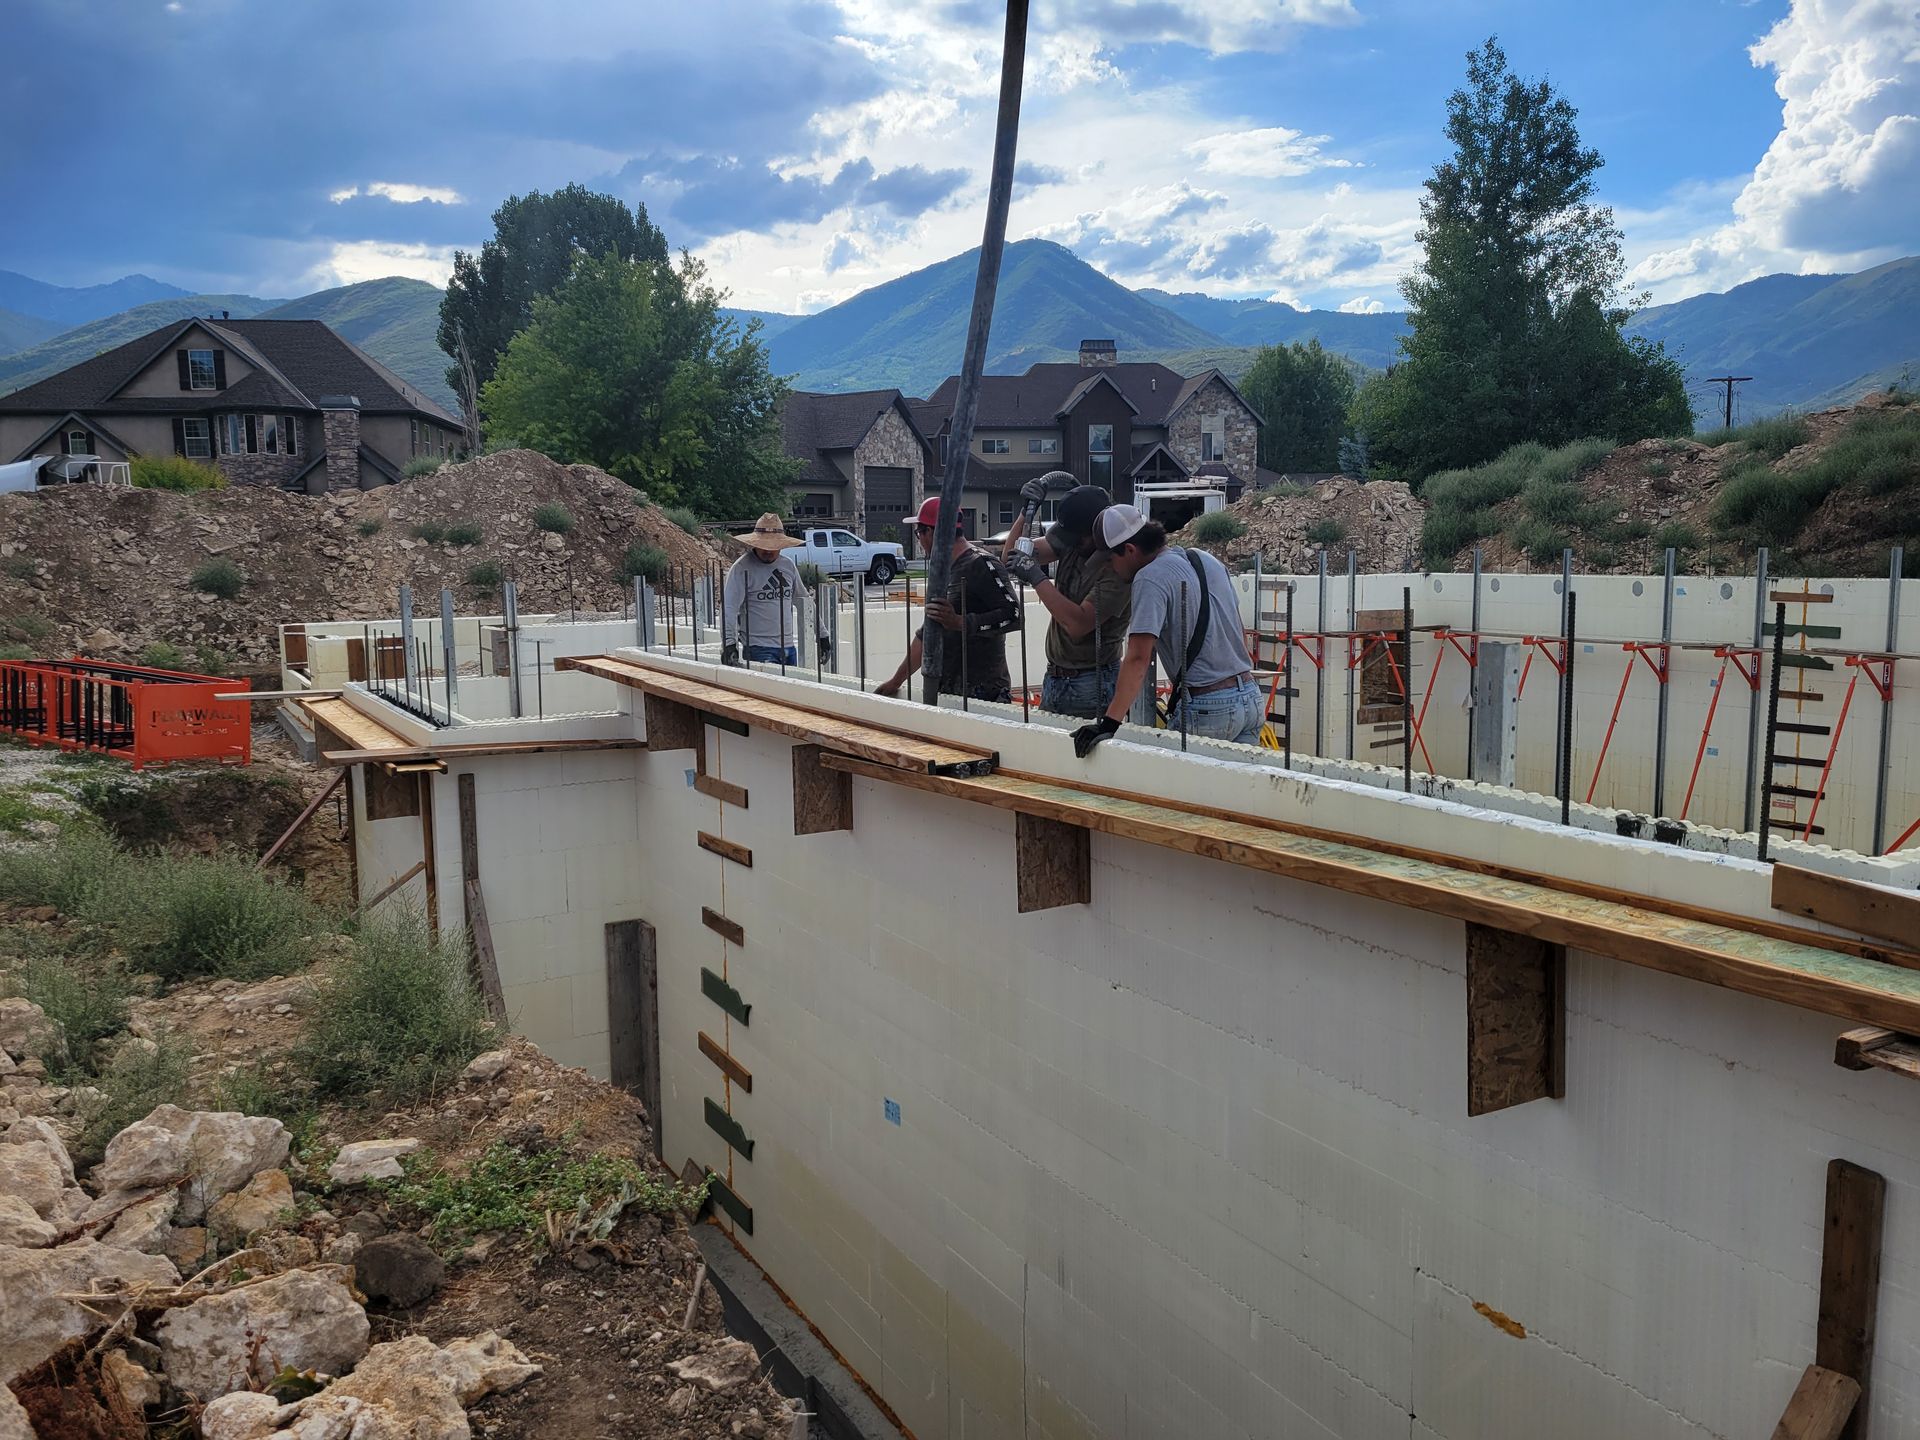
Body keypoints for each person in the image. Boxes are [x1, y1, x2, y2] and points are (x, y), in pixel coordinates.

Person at [1072, 504, 1262, 756]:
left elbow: (1138, 658)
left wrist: (1108, 724)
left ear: (1130, 550)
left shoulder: (1150, 577)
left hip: (1208, 707)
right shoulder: (1204, 559)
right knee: (1233, 782)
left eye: (1109, 560)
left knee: (1176, 781)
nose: (1108, 569)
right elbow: (1238, 629)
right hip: (1250, 697)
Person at [1000, 480, 1130, 718]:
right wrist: (1025, 512)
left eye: (1078, 538)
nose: (1072, 543)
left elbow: (1077, 624)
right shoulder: (1074, 543)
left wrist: (1036, 576)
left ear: (1098, 529)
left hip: (1093, 682)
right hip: (1056, 677)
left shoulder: (1118, 569)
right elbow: (1011, 558)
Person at [877, 497, 1022, 702]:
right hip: (950, 691)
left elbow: (1014, 616)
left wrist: (960, 622)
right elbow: (927, 635)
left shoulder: (982, 564)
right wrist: (896, 681)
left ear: (931, 532)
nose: (919, 540)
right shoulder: (944, 571)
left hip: (984, 694)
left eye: (919, 533)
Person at [721, 513, 827, 667]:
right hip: (758, 648)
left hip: (788, 647)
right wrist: (729, 644)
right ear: (755, 544)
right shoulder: (742, 568)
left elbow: (805, 602)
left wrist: (822, 635)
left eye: (774, 547)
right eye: (764, 546)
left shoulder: (788, 566)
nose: (769, 551)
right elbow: (729, 608)